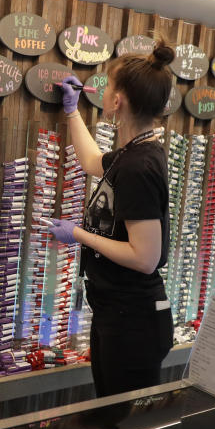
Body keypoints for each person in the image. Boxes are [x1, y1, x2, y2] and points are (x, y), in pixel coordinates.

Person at [48, 40, 175, 397]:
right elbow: (91, 161)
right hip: (117, 313)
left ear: (117, 101)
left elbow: (145, 258)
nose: (101, 93)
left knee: (122, 425)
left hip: (134, 321)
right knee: (111, 412)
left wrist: (78, 234)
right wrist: (71, 111)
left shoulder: (139, 166)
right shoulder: (132, 154)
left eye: (106, 87)